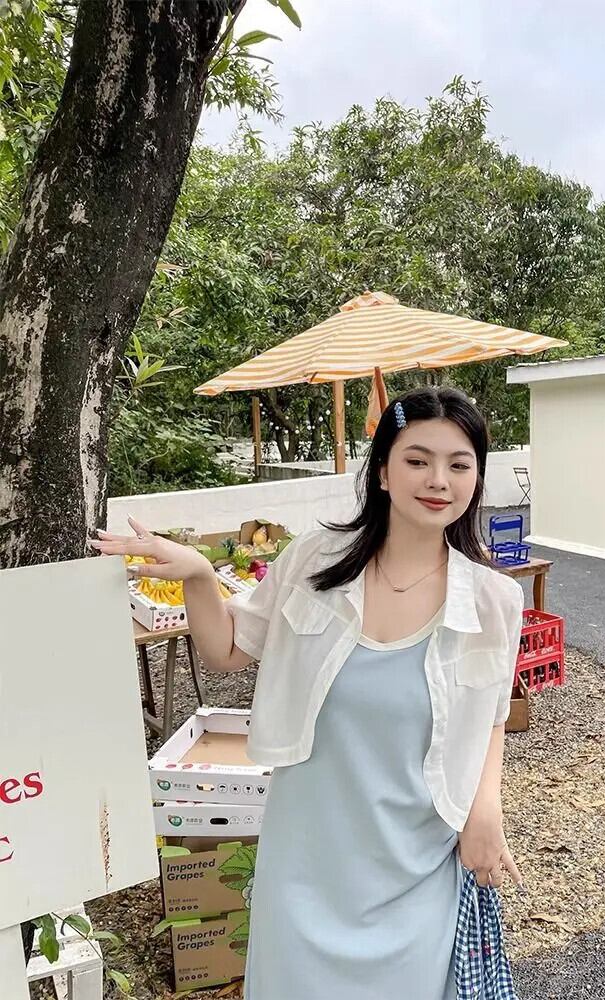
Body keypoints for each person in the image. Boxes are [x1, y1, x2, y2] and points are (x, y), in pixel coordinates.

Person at [91, 386, 525, 1000]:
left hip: (418, 866)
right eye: (417, 459)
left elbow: (492, 717)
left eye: (459, 464)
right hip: (306, 862)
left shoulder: (493, 600)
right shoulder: (315, 561)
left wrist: (485, 812)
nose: (438, 480)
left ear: (476, 479)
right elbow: (227, 651)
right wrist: (198, 575)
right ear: (382, 471)